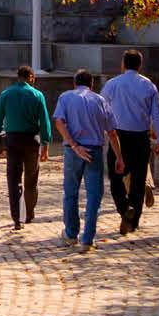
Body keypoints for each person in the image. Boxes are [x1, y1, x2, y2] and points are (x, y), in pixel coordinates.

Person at [52, 69, 121, 251]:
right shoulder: (100, 100)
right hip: (94, 151)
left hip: (73, 151)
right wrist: (119, 157)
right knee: (94, 196)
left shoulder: (65, 97)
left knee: (71, 193)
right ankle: (87, 239)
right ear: (92, 84)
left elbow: (59, 121)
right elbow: (112, 132)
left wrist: (74, 145)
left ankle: (70, 233)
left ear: (75, 83)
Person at [101, 49, 159, 235]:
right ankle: (134, 220)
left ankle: (124, 209)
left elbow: (101, 108)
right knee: (138, 180)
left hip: (119, 138)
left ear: (123, 64)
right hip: (140, 137)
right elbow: (158, 114)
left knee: (116, 179)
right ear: (140, 65)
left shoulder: (112, 84)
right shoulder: (148, 85)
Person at [0, 65, 54, 230]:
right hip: (32, 140)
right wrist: (45, 144)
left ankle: (17, 218)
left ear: (18, 77)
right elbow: (45, 122)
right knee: (31, 179)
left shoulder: (6, 94)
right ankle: (29, 214)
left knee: (14, 179)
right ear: (31, 77)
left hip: (12, 141)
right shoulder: (37, 95)